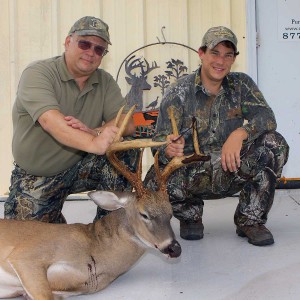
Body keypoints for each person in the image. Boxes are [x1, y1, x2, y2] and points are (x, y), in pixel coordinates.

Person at [144, 26, 289, 246]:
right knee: (154, 181)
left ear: (233, 60)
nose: (220, 61)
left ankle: (250, 219)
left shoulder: (242, 85)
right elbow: (159, 142)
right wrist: (168, 148)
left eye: (227, 55)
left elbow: (266, 117)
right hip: (193, 174)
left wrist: (240, 133)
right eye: (215, 53)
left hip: (232, 166)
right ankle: (190, 215)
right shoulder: (178, 92)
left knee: (275, 143)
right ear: (201, 53)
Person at [5, 16, 138, 223]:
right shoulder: (38, 73)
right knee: (31, 246)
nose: (91, 52)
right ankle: (52, 216)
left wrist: (95, 132)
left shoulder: (105, 81)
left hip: (80, 166)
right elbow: (51, 122)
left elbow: (127, 122)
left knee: (125, 147)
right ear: (68, 42)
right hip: (38, 175)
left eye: (99, 49)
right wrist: (95, 142)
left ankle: (108, 229)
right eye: (84, 43)